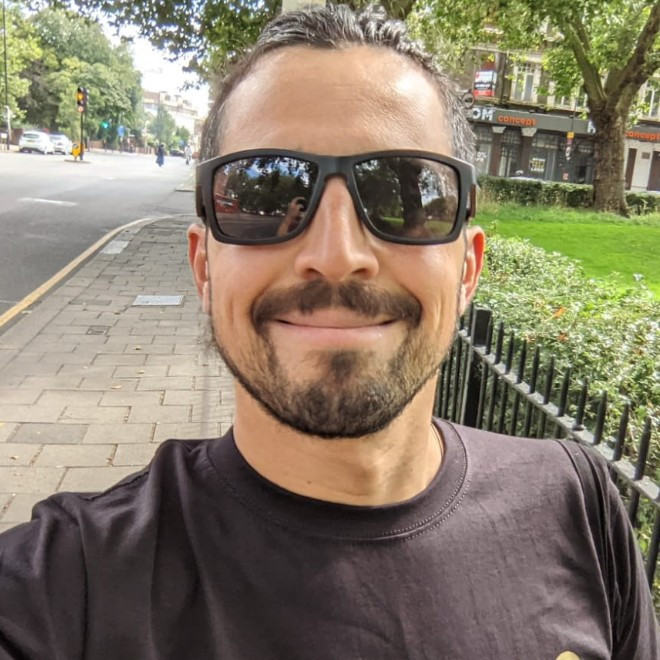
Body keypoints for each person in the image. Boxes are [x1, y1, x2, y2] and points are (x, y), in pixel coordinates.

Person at [0, 5, 657, 659]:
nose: (337, 255)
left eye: (404, 193)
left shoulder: (579, 509)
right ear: (204, 268)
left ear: (467, 270)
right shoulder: (63, 589)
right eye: (263, 196)